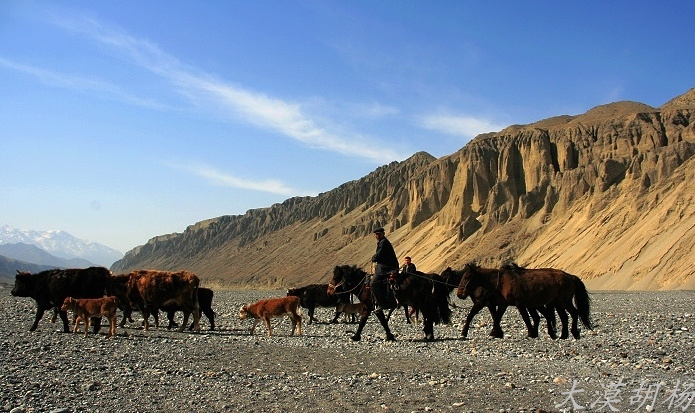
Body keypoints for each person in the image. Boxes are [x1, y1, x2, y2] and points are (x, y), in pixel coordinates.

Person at [370, 227, 399, 311]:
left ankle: (381, 304)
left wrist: (373, 258)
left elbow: (379, 255)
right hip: (386, 266)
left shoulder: (383, 243)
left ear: (383, 234)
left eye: (379, 234)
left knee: (373, 283)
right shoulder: (383, 242)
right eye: (376, 234)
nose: (377, 236)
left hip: (387, 268)